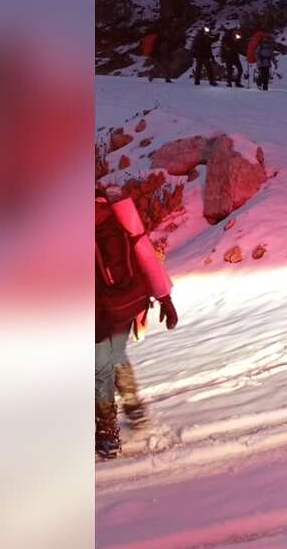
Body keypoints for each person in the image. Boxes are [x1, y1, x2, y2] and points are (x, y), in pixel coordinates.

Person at [95, 189, 180, 460]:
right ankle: (133, 407)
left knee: (100, 367)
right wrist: (164, 297)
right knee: (115, 355)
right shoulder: (114, 210)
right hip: (125, 303)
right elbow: (143, 250)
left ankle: (108, 432)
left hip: (96, 310)